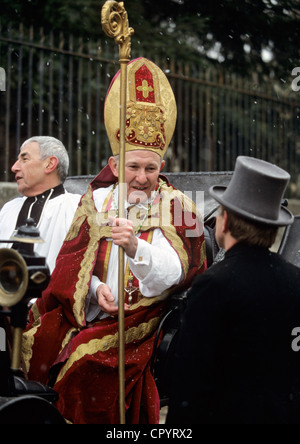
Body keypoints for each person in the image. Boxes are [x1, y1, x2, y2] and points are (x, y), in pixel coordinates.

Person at [22, 58, 207, 424]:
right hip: (91, 310)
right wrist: (92, 291)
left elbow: (179, 274)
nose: (141, 177)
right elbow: (70, 267)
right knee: (35, 330)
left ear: (162, 168)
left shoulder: (181, 207)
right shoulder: (96, 202)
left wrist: (136, 248)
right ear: (115, 163)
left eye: (150, 169)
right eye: (133, 167)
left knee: (82, 358)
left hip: (144, 318)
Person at [167, 156, 300, 424]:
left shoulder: (214, 285)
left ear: (224, 220)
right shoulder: (295, 280)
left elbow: (190, 380)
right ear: (274, 229)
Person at [0, 136, 81, 273]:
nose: (14, 167)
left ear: (50, 164)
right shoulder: (9, 208)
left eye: (24, 159)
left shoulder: (76, 207)